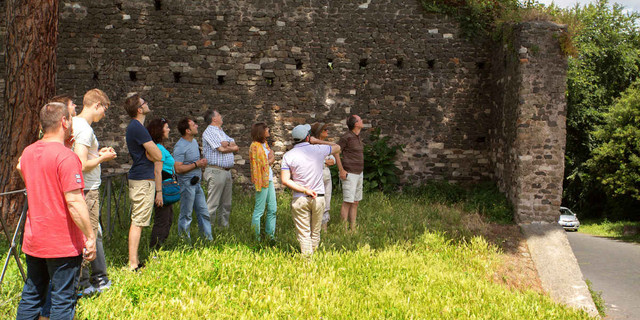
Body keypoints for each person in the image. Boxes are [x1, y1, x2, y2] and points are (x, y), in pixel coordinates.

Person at [15, 102, 96, 320]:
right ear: (64, 122)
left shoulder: (29, 151)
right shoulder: (67, 157)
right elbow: (74, 202)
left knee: (32, 295)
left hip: (34, 239)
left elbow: (21, 167)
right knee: (62, 301)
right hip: (62, 243)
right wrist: (90, 236)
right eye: (70, 118)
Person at [72, 89, 117, 295]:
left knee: (94, 233)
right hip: (88, 188)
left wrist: (97, 153)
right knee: (88, 235)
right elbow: (80, 164)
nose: (104, 115)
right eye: (104, 109)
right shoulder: (85, 129)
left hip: (87, 187)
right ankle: (84, 283)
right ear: (96, 105)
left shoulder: (76, 125)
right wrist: (102, 159)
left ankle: (98, 278)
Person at [281, 124, 340, 255]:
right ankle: (312, 257)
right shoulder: (319, 149)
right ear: (308, 137)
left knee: (304, 233)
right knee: (316, 231)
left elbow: (285, 180)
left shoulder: (288, 156)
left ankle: (308, 260)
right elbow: (337, 148)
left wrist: (304, 190)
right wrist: (317, 141)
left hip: (300, 198)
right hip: (318, 197)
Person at [124, 94, 162, 271]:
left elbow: (155, 154)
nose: (147, 104)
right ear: (139, 109)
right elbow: (158, 155)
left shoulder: (137, 127)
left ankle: (135, 261)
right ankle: (133, 264)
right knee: (138, 221)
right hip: (142, 180)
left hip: (142, 179)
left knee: (138, 220)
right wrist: (152, 153)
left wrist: (152, 153)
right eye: (144, 103)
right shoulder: (138, 128)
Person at [173, 117, 212, 241]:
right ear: (187, 131)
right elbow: (178, 169)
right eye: (193, 125)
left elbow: (196, 162)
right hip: (186, 184)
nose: (197, 126)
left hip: (197, 184)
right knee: (186, 214)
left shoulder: (194, 142)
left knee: (204, 213)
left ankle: (207, 240)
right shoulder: (180, 146)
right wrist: (196, 164)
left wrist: (201, 163)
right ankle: (184, 242)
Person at [202, 110, 238, 229]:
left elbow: (234, 144)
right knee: (213, 203)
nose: (221, 116)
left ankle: (223, 229)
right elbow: (220, 149)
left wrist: (227, 143)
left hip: (226, 171)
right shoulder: (209, 132)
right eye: (219, 115)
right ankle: (207, 231)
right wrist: (229, 146)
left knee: (226, 203)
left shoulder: (221, 131)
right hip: (216, 171)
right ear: (214, 119)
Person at [147, 118, 178, 249]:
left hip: (166, 185)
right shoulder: (157, 148)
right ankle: (155, 250)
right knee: (162, 220)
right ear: (159, 130)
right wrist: (159, 193)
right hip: (162, 187)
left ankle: (160, 247)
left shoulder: (160, 147)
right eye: (166, 127)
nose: (169, 129)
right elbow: (157, 171)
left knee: (167, 218)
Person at [336, 115, 365, 232]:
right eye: (360, 120)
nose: (362, 121)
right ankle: (343, 230)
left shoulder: (357, 137)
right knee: (348, 201)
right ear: (356, 124)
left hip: (359, 173)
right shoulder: (346, 137)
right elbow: (336, 152)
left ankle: (353, 228)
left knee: (355, 202)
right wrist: (341, 170)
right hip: (350, 173)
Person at [249, 122, 277, 242]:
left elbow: (268, 160)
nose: (268, 131)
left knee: (273, 208)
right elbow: (262, 164)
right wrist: (271, 159)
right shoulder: (255, 146)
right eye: (267, 129)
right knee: (259, 210)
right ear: (261, 131)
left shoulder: (265, 144)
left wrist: (270, 159)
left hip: (268, 179)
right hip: (261, 180)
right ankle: (255, 238)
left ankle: (270, 236)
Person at [310, 122, 336, 232]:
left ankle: (324, 228)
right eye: (325, 129)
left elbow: (333, 160)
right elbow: (313, 162)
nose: (327, 131)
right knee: (316, 202)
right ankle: (314, 228)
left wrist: (323, 161)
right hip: (317, 177)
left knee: (327, 201)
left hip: (326, 177)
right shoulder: (311, 146)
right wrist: (325, 161)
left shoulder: (326, 145)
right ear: (319, 132)